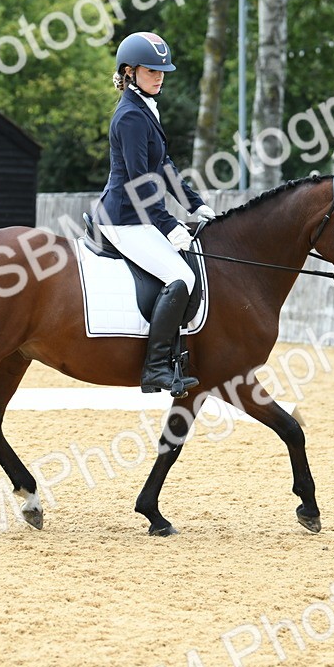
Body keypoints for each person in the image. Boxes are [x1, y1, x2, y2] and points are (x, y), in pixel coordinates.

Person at [92, 31, 216, 395]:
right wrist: (169, 225)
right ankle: (156, 367)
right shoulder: (130, 117)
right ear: (129, 72)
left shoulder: (145, 108)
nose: (159, 77)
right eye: (151, 71)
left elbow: (164, 167)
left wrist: (195, 204)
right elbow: (139, 181)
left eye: (162, 71)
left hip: (137, 215)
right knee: (181, 276)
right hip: (123, 219)